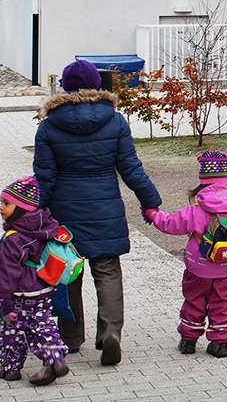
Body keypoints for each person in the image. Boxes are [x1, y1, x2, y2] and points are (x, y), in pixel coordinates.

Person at [33, 59, 162, 365]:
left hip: (64, 214)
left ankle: (70, 338)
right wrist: (150, 202)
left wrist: (34, 215)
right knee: (107, 271)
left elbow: (44, 179)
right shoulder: (115, 121)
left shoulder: (48, 127)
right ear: (97, 85)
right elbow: (131, 169)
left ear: (64, 87)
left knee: (67, 272)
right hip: (106, 210)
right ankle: (110, 334)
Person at [142, 150, 227, 359]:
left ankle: (188, 341)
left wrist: (153, 214)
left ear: (202, 179)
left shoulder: (196, 209)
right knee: (222, 303)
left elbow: (170, 224)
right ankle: (220, 344)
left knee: (194, 300)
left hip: (199, 267)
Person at [0, 177, 71, 386]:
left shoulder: (12, 238)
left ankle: (10, 367)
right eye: (1, 202)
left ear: (21, 208)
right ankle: (55, 358)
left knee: (12, 328)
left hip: (19, 293)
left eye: (6, 203)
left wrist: (5, 298)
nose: (0, 207)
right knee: (42, 324)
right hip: (43, 288)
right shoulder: (43, 226)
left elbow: (8, 272)